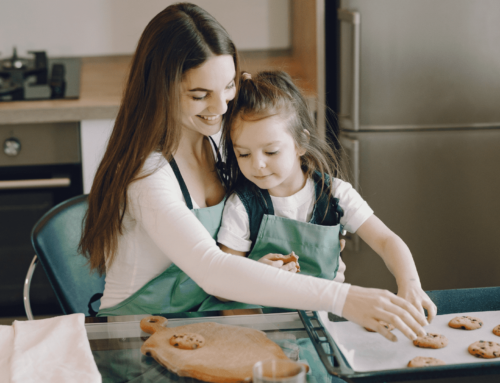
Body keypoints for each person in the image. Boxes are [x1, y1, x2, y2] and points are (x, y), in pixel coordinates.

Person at [79, 2, 432, 343]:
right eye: (200, 95)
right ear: (162, 89)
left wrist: (264, 266)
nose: (220, 108)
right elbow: (211, 268)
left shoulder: (221, 141)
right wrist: (345, 299)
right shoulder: (149, 174)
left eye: (229, 86)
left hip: (206, 325)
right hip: (135, 340)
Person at [200, 70, 435, 325]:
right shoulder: (242, 206)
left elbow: (386, 241)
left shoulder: (335, 195)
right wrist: (256, 273)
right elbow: (223, 287)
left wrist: (410, 285)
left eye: (271, 151)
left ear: (301, 142)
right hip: (261, 332)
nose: (257, 165)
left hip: (321, 326)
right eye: (243, 154)